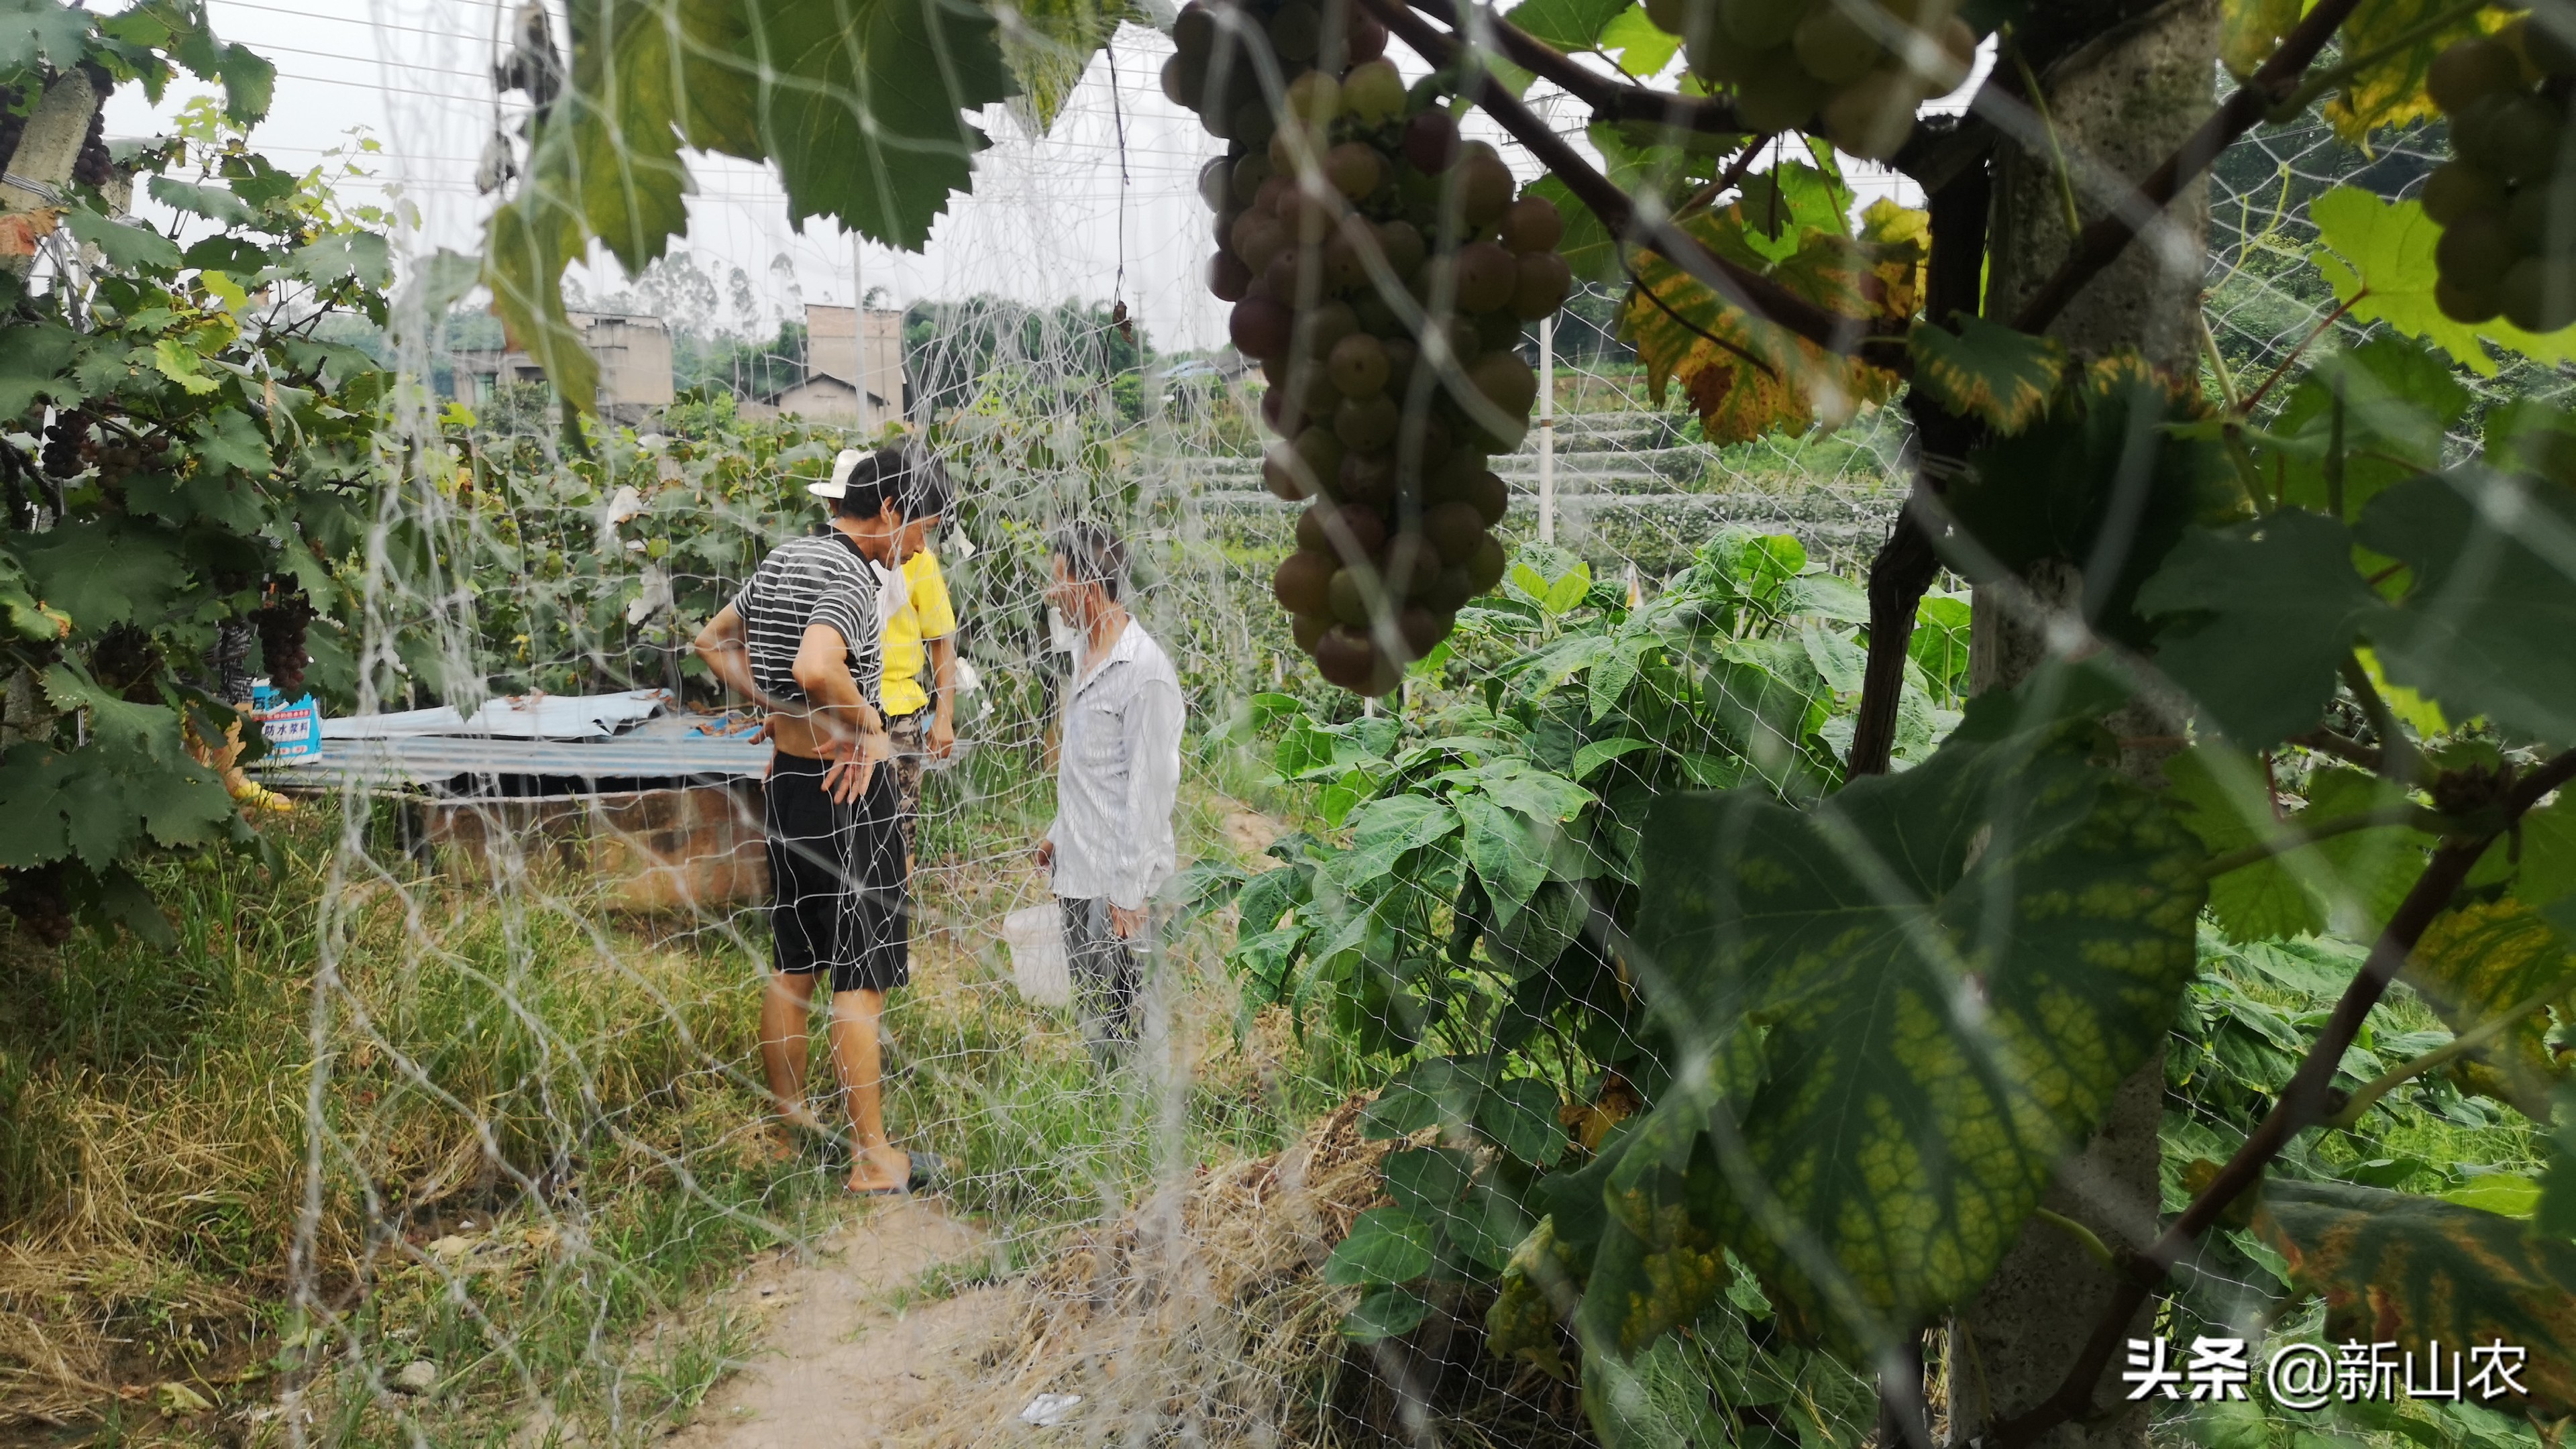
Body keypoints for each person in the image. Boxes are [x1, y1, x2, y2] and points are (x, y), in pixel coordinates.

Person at [691, 447, 921, 1195]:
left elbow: (711, 641)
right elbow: (818, 666)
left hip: (790, 782)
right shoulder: (852, 576)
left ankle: (789, 1127)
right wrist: (867, 725)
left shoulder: (785, 559)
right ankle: (872, 1158)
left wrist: (780, 710)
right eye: (923, 527)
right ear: (890, 511)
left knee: (796, 966)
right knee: (861, 976)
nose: (921, 547)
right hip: (848, 792)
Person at [1034, 521, 1185, 1060]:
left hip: (1120, 884)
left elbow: (1151, 789)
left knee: (1130, 1019)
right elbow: (1093, 768)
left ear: (1089, 586)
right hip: (1078, 871)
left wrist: (1129, 892)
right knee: (1094, 1017)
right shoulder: (1083, 653)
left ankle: (1139, 1106)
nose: (1051, 594)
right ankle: (1105, 1097)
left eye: (1059, 582)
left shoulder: (1143, 672)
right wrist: (1056, 834)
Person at [876, 450, 960, 871]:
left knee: (898, 835)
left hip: (898, 717)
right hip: (839, 711)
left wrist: (944, 716)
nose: (923, 541)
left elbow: (942, 639)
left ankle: (897, 906)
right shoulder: (835, 559)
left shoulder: (919, 560)